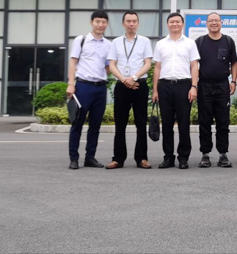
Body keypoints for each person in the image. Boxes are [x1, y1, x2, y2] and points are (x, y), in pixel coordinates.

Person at [106, 11, 153, 169]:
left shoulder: (145, 41)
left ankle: (142, 158)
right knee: (120, 123)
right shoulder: (116, 42)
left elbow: (147, 63)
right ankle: (118, 159)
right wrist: (124, 79)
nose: (131, 24)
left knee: (141, 123)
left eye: (134, 21)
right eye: (128, 21)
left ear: (138, 23)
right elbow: (112, 64)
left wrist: (133, 77)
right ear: (123, 24)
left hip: (139, 85)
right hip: (121, 85)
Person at [152, 12, 200, 169]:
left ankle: (183, 157)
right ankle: (168, 157)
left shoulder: (190, 43)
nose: (175, 24)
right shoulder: (161, 44)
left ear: (182, 24)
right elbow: (157, 67)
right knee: (166, 123)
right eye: (172, 22)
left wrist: (194, 86)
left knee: (184, 123)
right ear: (167, 24)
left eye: (177, 22)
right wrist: (155, 90)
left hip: (184, 86)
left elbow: (194, 66)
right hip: (165, 86)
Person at [66, 10, 112, 170]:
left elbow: (108, 66)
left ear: (107, 24)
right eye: (97, 21)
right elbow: (73, 62)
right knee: (77, 123)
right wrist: (71, 84)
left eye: (103, 22)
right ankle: (74, 158)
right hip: (83, 87)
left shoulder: (109, 44)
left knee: (95, 125)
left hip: (100, 88)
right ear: (91, 22)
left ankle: (90, 157)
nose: (100, 25)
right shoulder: (81, 40)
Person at [195, 12, 237, 168]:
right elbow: (193, 64)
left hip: (222, 86)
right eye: (211, 21)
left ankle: (223, 154)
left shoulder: (228, 41)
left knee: (223, 122)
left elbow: (234, 63)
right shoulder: (200, 41)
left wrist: (233, 81)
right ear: (206, 23)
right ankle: (205, 154)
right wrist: (194, 84)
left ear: (221, 23)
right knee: (204, 122)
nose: (214, 23)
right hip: (204, 86)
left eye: (216, 20)